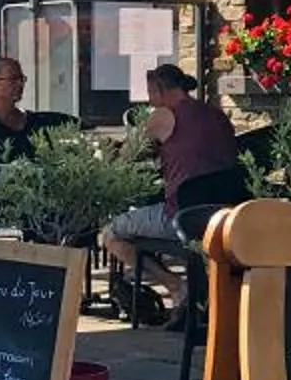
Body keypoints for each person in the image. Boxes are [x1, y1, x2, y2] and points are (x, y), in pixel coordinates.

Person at [101, 64, 243, 317]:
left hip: (181, 216)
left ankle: (176, 287)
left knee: (112, 233)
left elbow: (127, 158)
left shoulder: (163, 116)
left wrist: (111, 151)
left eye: (150, 93)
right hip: (224, 213)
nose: (149, 100)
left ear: (159, 90)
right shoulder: (216, 114)